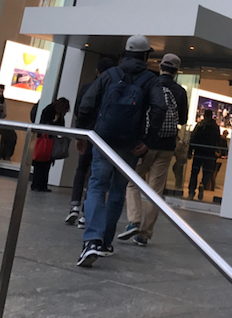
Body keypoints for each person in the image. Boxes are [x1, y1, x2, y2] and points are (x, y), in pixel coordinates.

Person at [75, 35, 156, 267]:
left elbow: (87, 104)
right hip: (131, 145)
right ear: (146, 55)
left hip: (103, 140)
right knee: (118, 191)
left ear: (125, 52)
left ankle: (91, 239)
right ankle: (105, 243)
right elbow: (159, 110)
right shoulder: (151, 80)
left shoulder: (109, 76)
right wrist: (148, 140)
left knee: (97, 188)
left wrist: (82, 133)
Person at [118, 53, 188, 246]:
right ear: (176, 71)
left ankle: (134, 221)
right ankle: (144, 234)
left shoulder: (150, 84)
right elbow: (182, 120)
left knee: (132, 181)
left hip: (145, 145)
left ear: (160, 67)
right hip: (167, 145)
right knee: (155, 191)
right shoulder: (180, 91)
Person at [65, 57, 116, 225]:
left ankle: (74, 205)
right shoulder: (113, 88)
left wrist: (79, 133)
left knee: (81, 168)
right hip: (103, 135)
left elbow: (80, 109)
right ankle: (86, 213)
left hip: (87, 133)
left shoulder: (87, 87)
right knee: (95, 174)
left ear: (97, 71)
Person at [32, 97, 70, 192]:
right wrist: (54, 121)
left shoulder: (57, 113)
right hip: (46, 140)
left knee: (46, 164)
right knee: (41, 164)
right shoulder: (49, 111)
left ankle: (42, 185)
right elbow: (46, 125)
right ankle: (37, 184)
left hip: (49, 140)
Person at [187, 109, 221, 200]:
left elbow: (193, 138)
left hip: (198, 151)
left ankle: (191, 192)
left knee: (194, 172)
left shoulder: (200, 125)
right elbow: (218, 140)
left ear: (204, 115)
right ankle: (202, 184)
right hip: (210, 153)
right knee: (207, 172)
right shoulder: (215, 127)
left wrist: (190, 151)